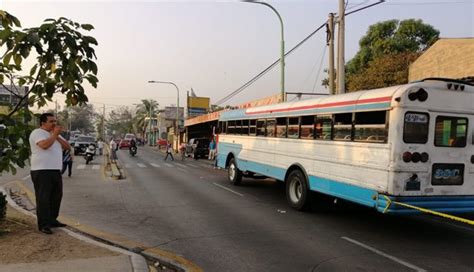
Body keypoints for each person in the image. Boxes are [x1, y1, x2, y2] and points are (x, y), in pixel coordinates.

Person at [29, 113, 70, 235]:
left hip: (55, 170)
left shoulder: (55, 135)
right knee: (43, 198)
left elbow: (67, 147)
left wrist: (56, 136)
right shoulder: (37, 133)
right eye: (51, 121)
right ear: (43, 123)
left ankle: (52, 219)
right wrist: (55, 135)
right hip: (41, 170)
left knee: (56, 196)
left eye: (55, 121)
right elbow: (44, 145)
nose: (54, 124)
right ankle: (44, 224)